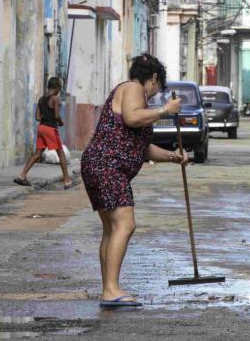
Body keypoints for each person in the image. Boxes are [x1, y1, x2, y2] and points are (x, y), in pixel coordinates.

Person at [80, 53, 187, 308]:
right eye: (158, 87)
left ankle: (108, 287)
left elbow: (141, 148)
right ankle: (111, 290)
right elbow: (131, 117)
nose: (156, 93)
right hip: (108, 166)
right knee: (125, 225)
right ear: (152, 78)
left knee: (112, 228)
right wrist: (165, 110)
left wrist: (174, 156)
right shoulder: (133, 88)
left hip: (100, 164)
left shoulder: (132, 95)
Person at [13, 76, 74, 189]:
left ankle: (22, 176)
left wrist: (45, 115)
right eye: (59, 88)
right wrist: (60, 121)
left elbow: (37, 117)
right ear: (56, 88)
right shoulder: (55, 98)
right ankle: (67, 180)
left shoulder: (41, 99)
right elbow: (56, 115)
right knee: (61, 154)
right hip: (51, 128)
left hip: (41, 128)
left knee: (37, 154)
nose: (59, 91)